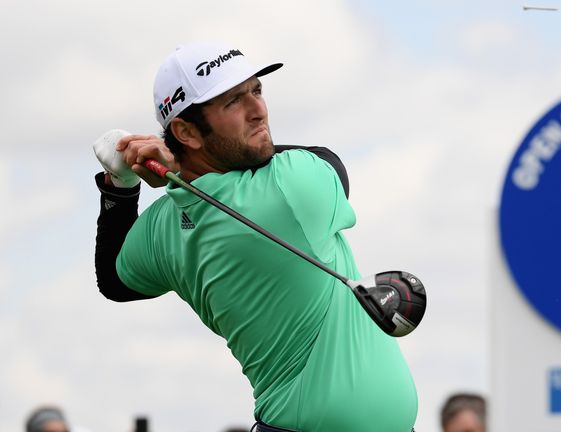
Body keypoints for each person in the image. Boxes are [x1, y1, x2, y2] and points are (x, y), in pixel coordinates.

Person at [92, 42, 417, 432]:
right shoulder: (291, 186)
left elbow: (114, 281)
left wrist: (121, 186)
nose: (258, 109)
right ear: (186, 132)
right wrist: (176, 165)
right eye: (233, 101)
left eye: (256, 91)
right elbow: (329, 160)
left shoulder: (160, 228)